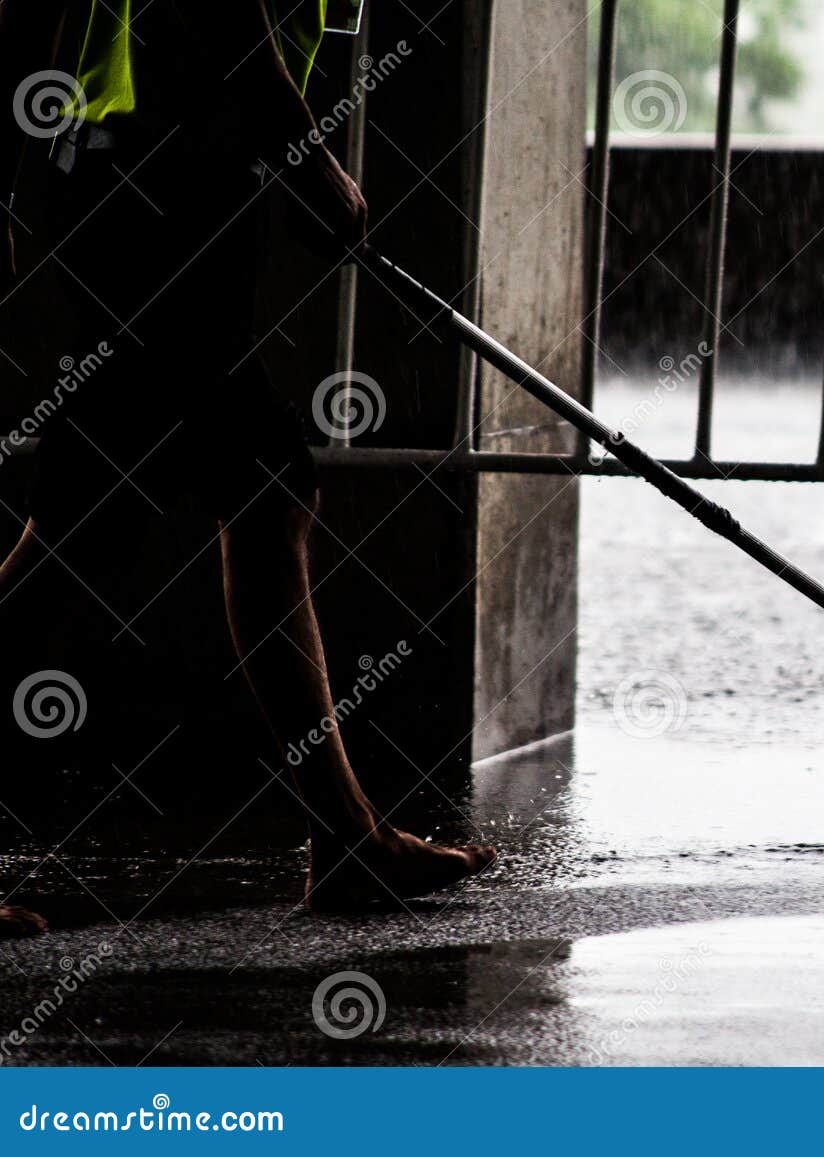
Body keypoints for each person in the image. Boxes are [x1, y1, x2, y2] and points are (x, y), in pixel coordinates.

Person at [0, 1, 494, 937]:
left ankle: (347, 839)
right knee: (168, 510)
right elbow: (217, 26)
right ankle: (348, 841)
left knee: (182, 511)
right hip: (155, 189)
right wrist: (313, 168)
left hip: (152, 181)